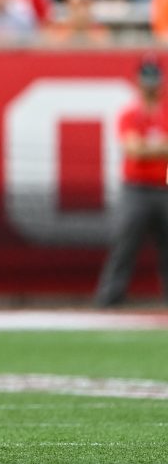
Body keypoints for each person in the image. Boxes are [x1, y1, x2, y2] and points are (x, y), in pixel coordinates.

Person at [94, 58, 168, 307]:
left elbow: (140, 147)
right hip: (136, 187)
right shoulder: (130, 113)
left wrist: (149, 147)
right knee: (125, 242)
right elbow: (134, 149)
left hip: (163, 185)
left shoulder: (163, 111)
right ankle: (110, 297)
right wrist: (160, 147)